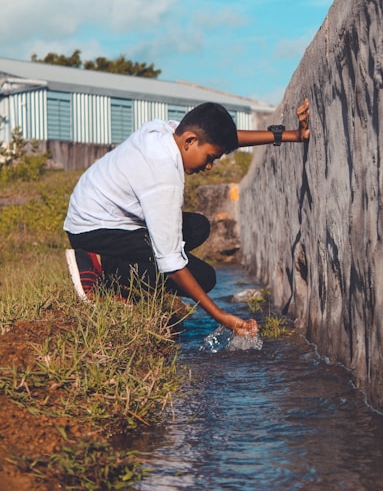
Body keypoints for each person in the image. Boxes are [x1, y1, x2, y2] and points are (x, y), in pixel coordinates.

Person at [64, 98, 310, 336]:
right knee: (203, 278)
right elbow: (170, 262)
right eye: (210, 158)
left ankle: (110, 268)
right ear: (190, 141)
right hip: (93, 231)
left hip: (91, 214)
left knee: (198, 227)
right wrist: (222, 316)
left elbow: (225, 138)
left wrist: (289, 135)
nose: (209, 166)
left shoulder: (166, 132)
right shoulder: (162, 178)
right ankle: (100, 265)